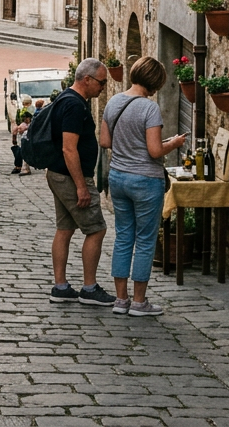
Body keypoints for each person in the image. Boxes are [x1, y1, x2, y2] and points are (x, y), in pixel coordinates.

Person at [99, 57, 186, 317]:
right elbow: (154, 150)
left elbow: (105, 141)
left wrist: (127, 145)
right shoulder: (150, 109)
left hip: (118, 177)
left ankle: (120, 300)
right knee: (146, 241)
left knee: (123, 237)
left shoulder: (114, 102)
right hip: (146, 180)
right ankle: (139, 302)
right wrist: (174, 143)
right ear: (155, 82)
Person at [46, 58, 114, 307]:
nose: (103, 87)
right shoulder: (74, 105)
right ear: (87, 79)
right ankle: (89, 288)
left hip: (58, 174)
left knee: (65, 229)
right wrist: (81, 186)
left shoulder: (66, 98)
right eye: (102, 82)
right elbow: (69, 149)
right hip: (69, 177)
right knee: (96, 229)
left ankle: (61, 287)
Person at [11, 111, 33, 175]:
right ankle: (20, 167)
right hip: (24, 142)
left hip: (26, 142)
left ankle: (20, 167)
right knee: (20, 153)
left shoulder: (28, 125)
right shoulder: (24, 125)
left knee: (21, 153)